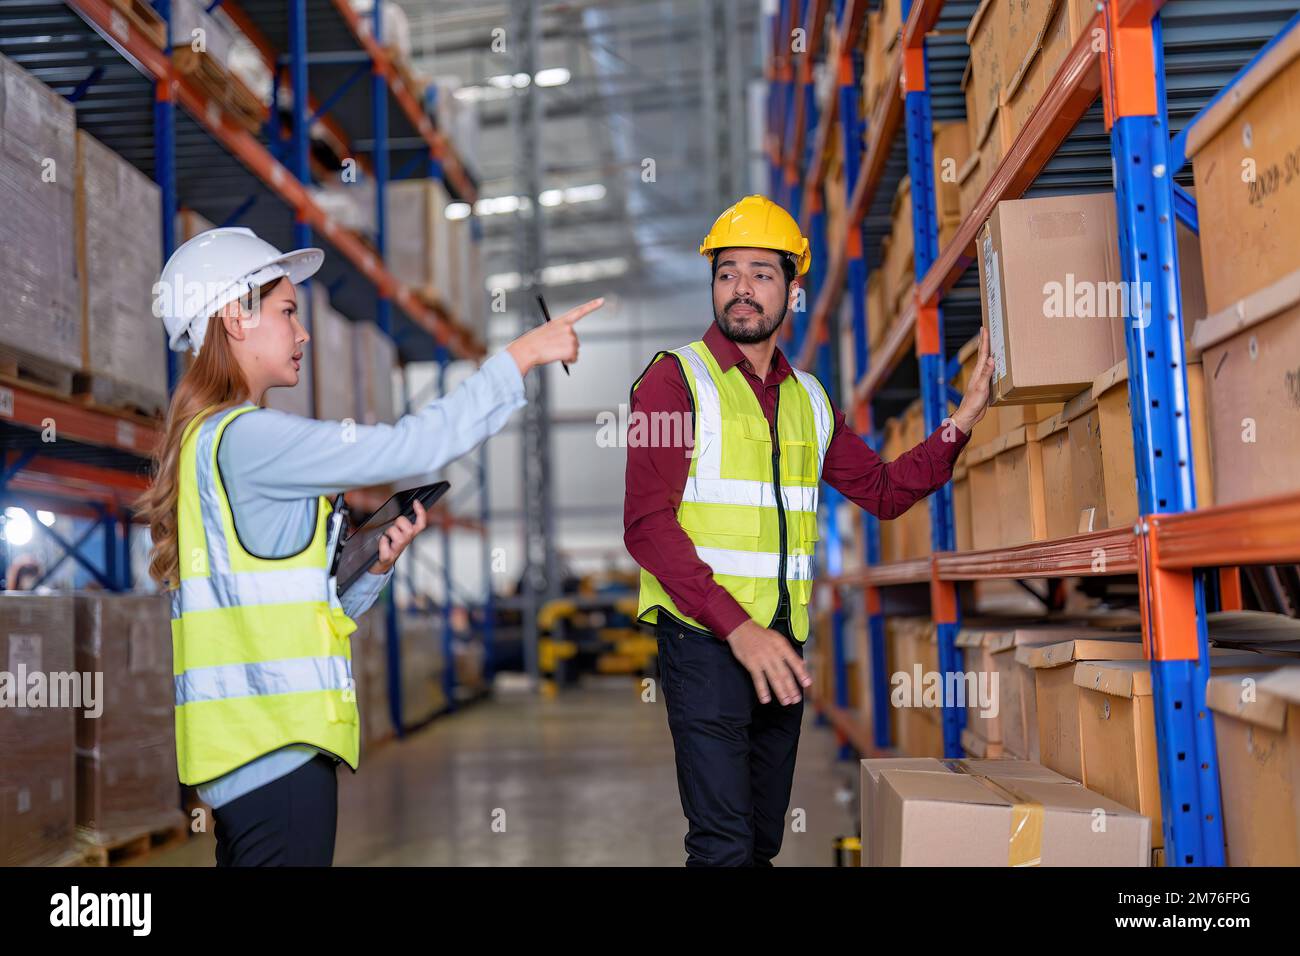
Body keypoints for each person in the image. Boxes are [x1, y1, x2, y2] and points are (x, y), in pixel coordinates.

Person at [138, 226, 602, 866]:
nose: (301, 334)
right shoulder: (250, 440)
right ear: (234, 318)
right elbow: (411, 446)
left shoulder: (205, 446)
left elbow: (289, 618)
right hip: (278, 759)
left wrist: (373, 566)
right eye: (287, 312)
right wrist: (517, 359)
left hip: (244, 758)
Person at [623, 195, 993, 866]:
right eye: (727, 271)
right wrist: (739, 628)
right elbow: (647, 526)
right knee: (723, 846)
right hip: (707, 642)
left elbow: (881, 492)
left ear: (793, 292)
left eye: (762, 273)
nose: (741, 288)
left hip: (781, 645)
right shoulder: (672, 382)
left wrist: (960, 422)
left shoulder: (811, 400)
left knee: (761, 842)